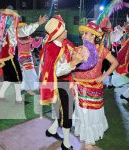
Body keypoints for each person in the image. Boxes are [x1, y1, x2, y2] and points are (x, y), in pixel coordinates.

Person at [39, 15, 84, 150]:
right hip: (58, 84)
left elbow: (73, 50)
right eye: (64, 30)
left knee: (66, 109)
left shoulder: (64, 42)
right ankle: (66, 142)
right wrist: (73, 63)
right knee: (67, 112)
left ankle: (52, 130)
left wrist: (81, 51)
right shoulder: (51, 49)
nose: (66, 32)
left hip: (66, 81)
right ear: (57, 34)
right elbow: (55, 72)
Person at [73, 21, 119, 150]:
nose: (84, 36)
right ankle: (88, 141)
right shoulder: (78, 49)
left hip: (95, 86)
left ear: (94, 36)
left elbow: (115, 63)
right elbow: (72, 67)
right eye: (83, 34)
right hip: (80, 86)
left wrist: (104, 76)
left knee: (94, 112)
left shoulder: (101, 50)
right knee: (84, 112)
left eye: (87, 34)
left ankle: (92, 134)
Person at [0, 8, 47, 103]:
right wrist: (38, 23)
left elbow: (24, 32)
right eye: (14, 19)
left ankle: (0, 95)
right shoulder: (9, 29)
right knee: (17, 76)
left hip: (4, 56)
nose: (16, 22)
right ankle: (18, 99)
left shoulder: (0, 29)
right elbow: (24, 31)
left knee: (10, 77)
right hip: (9, 56)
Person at [17, 23, 43, 95]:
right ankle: (25, 88)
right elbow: (22, 42)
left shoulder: (28, 37)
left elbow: (35, 45)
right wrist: (32, 40)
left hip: (28, 56)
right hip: (21, 57)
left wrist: (37, 40)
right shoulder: (17, 37)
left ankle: (28, 88)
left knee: (29, 73)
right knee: (24, 73)